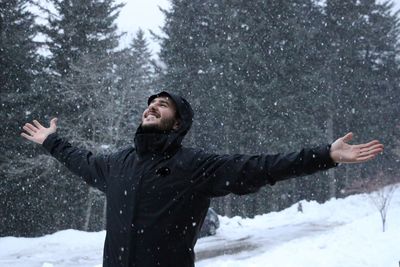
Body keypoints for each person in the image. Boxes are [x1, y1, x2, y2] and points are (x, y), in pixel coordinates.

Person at [21, 91, 384, 267]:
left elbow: (260, 166)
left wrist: (325, 154)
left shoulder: (193, 165)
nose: (152, 107)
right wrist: (51, 141)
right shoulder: (119, 163)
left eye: (162, 105)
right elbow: (82, 161)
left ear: (177, 123)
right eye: (150, 103)